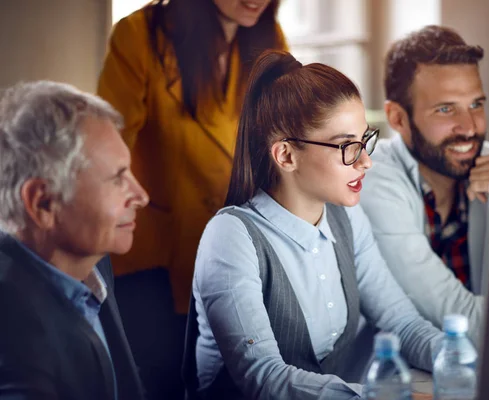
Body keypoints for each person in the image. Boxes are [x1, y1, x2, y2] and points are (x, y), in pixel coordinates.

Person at [187, 49, 444, 400]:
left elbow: (402, 321)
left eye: (365, 140)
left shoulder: (347, 216)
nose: (366, 161)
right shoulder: (231, 237)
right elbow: (263, 378)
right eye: (347, 147)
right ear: (286, 156)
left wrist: (463, 361)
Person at [97, 1, 287, 397]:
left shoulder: (270, 40)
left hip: (240, 249)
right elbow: (106, 149)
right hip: (156, 262)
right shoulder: (141, 37)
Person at [0, 81, 148, 400]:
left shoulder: (92, 257)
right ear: (43, 203)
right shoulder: (12, 334)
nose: (141, 196)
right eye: (117, 179)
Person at [360, 25, 489, 344]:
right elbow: (459, 319)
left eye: (476, 104)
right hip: (394, 375)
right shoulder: (375, 180)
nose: (469, 128)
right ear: (397, 119)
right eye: (445, 109)